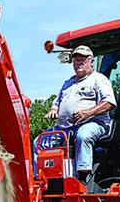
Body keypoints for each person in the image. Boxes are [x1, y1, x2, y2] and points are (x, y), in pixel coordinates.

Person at [45, 45, 116, 182]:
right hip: (65, 128)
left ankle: (82, 177)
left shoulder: (98, 79)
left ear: (91, 62)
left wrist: (88, 113)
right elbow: (56, 103)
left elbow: (109, 102)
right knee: (40, 141)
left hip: (93, 123)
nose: (79, 63)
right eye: (76, 60)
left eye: (83, 60)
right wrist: (53, 110)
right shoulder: (68, 83)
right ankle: (38, 178)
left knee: (83, 136)